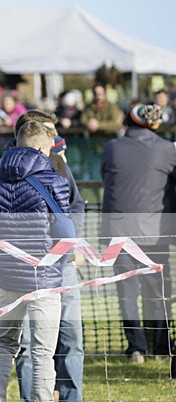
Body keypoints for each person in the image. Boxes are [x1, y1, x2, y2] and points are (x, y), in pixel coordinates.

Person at [0, 120, 71, 402]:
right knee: (41, 352)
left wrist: (0, 264)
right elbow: (67, 235)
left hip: (7, 281)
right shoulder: (52, 181)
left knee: (4, 346)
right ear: (44, 148)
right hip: (45, 280)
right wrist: (55, 266)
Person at [9, 112, 97, 402]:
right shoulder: (6, 168)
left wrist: (70, 245)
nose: (57, 139)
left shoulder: (59, 163)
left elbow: (76, 205)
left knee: (71, 335)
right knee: (29, 341)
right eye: (52, 133)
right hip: (26, 268)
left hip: (62, 265)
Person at [100, 104, 176, 362]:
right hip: (153, 232)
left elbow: (106, 177)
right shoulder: (166, 149)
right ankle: (162, 347)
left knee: (127, 292)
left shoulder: (111, 147)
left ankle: (136, 348)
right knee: (157, 291)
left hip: (117, 231)